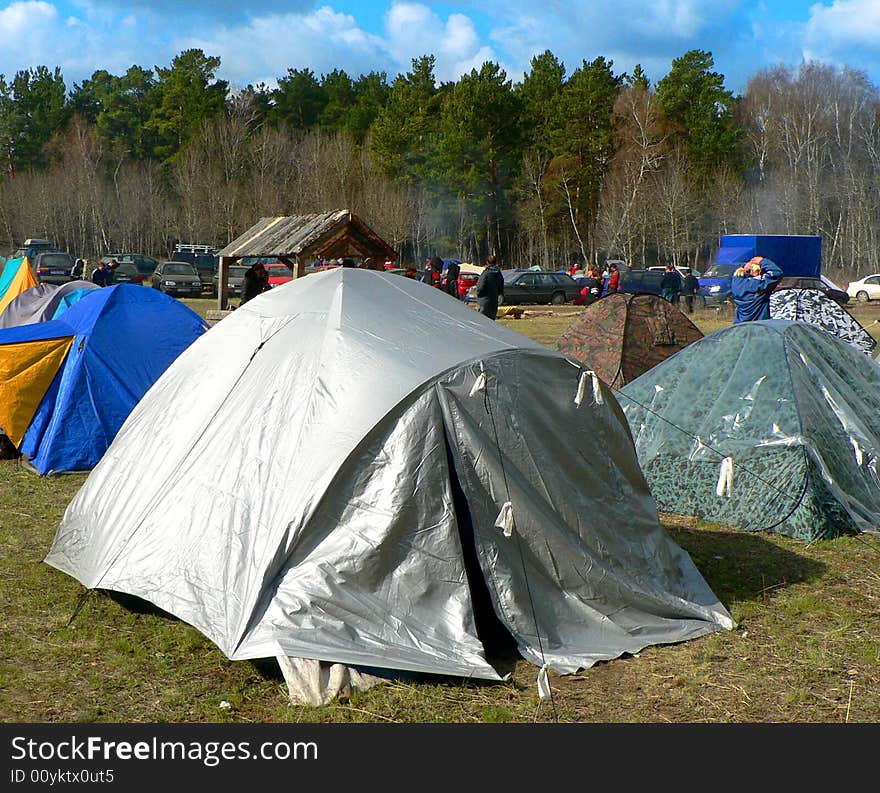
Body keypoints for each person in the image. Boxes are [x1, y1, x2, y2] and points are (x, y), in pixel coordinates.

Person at [731, 256, 784, 323]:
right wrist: (762, 261)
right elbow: (777, 272)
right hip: (758, 325)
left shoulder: (737, 282)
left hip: (740, 325)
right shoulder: (759, 284)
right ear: (760, 271)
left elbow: (738, 272)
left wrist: (745, 266)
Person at [474, 254, 504, 319]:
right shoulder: (499, 274)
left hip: (484, 301)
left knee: (481, 321)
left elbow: (480, 287)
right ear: (495, 262)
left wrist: (479, 295)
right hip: (494, 302)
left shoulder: (486, 273)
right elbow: (501, 288)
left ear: (487, 262)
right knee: (491, 322)